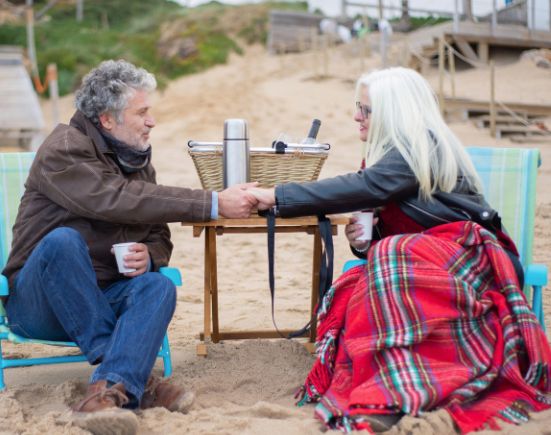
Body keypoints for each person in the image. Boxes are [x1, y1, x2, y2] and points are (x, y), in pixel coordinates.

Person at [251, 67, 551, 433]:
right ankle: (390, 391)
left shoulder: (421, 146)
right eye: (357, 107)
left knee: (394, 254)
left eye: (365, 109)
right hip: (420, 264)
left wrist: (277, 195)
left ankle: (403, 392)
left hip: (472, 260)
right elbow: (384, 223)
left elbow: (370, 188)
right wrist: (364, 243)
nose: (355, 117)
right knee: (359, 281)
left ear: (395, 113)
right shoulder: (385, 159)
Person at [2, 59, 257, 431]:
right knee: (61, 241)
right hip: (39, 303)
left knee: (158, 285)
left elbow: (156, 231)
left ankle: (107, 390)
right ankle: (140, 380)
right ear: (107, 119)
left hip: (103, 298)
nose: (151, 121)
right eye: (143, 112)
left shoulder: (133, 158)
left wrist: (149, 256)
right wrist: (214, 203)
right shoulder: (63, 149)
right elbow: (114, 198)